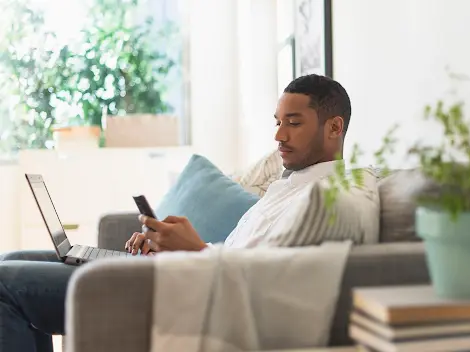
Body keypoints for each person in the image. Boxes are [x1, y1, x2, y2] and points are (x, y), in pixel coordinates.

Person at [0, 74, 352, 351]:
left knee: (4, 283)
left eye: (293, 123)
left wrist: (195, 250)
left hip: (182, 291)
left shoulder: (326, 198)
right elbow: (246, 254)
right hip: (183, 271)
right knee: (13, 258)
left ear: (334, 127)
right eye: (277, 122)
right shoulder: (291, 185)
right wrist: (174, 246)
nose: (278, 135)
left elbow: (265, 284)